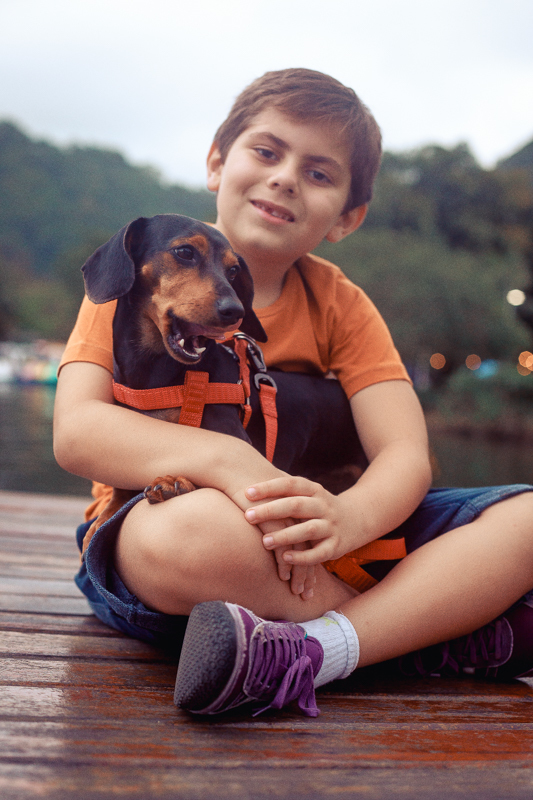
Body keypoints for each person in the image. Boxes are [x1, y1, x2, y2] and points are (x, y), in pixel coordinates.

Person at [53, 68, 533, 719]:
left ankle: (309, 650)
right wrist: (231, 464)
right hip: (180, 536)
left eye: (318, 173)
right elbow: (77, 433)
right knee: (191, 532)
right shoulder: (144, 271)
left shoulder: (341, 304)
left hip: (331, 534)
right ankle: (412, 630)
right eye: (267, 152)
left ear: (348, 216)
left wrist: (348, 521)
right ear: (218, 163)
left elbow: (404, 455)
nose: (284, 177)